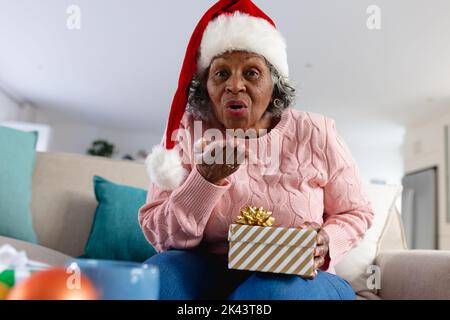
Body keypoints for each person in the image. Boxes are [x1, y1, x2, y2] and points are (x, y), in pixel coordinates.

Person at [139, 0, 373, 300]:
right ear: (206, 87)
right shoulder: (185, 132)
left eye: (251, 73)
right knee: (157, 279)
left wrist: (326, 241)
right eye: (221, 73)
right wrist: (204, 181)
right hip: (205, 269)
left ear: (274, 85)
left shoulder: (316, 132)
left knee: (267, 293)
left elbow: (356, 211)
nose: (234, 85)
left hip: (296, 275)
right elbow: (162, 237)